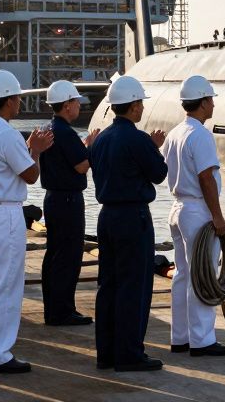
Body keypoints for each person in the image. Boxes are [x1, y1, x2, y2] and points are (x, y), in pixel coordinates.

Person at [0, 71, 53, 375]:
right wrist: (36, 152)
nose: (20, 103)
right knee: (5, 287)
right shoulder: (6, 134)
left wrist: (28, 150)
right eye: (17, 98)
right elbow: (30, 175)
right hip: (4, 214)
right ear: (10, 100)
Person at [89, 75, 167, 372]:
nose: (142, 108)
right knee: (134, 286)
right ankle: (130, 353)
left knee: (108, 285)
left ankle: (106, 353)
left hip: (107, 216)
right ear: (134, 106)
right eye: (140, 103)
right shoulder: (137, 139)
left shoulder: (101, 140)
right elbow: (159, 174)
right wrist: (154, 146)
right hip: (133, 217)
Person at [163, 75, 225, 358]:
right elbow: (206, 177)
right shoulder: (200, 135)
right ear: (203, 102)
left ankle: (180, 337)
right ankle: (202, 341)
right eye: (211, 99)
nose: (213, 104)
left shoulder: (174, 133)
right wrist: (218, 217)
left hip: (177, 208)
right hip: (197, 210)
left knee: (182, 275)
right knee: (201, 276)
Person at [40, 80, 98, 326]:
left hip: (53, 198)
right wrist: (93, 148)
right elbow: (81, 166)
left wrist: (83, 147)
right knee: (68, 256)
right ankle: (63, 310)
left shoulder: (48, 128)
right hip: (67, 200)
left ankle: (53, 308)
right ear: (66, 106)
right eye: (76, 103)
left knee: (54, 253)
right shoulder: (66, 132)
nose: (79, 107)